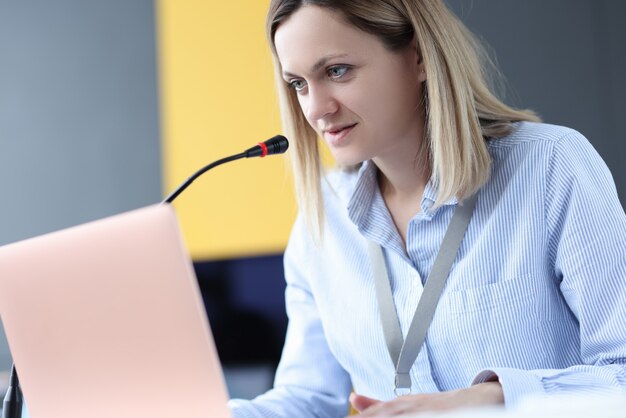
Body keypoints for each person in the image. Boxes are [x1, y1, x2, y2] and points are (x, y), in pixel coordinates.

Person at [229, 0, 626, 416]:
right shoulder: (323, 216)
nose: (315, 109)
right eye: (298, 84)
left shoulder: (551, 167)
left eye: (336, 71)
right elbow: (308, 400)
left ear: (418, 56)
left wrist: (487, 400)